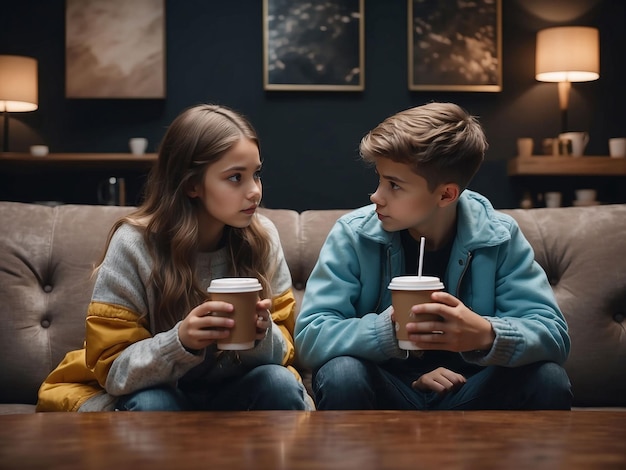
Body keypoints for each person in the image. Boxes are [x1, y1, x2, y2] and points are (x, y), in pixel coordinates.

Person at [295, 102, 572, 411]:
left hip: (470, 391)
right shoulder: (354, 235)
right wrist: (388, 330)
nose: (376, 196)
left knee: (549, 377)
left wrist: (486, 334)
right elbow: (310, 338)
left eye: (394, 185)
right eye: (380, 179)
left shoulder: (499, 236)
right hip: (391, 389)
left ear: (445, 195)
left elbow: (553, 335)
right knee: (341, 373)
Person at [37, 104, 313, 412]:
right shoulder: (135, 244)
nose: (255, 191)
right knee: (153, 403)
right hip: (160, 390)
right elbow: (114, 371)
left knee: (279, 383)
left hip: (235, 388)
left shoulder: (262, 237)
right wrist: (179, 342)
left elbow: (287, 349)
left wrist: (262, 336)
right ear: (192, 184)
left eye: (256, 174)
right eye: (236, 177)